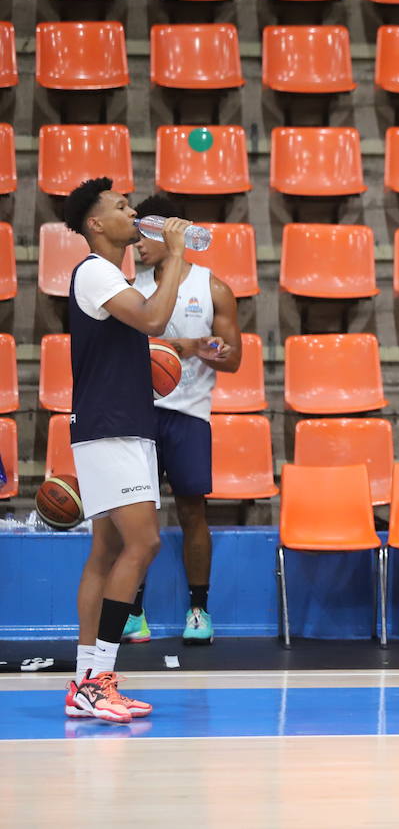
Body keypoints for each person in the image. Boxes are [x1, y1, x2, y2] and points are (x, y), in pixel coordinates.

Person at [60, 178, 192, 723]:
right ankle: (101, 681)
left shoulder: (112, 275)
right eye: (120, 207)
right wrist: (178, 256)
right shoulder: (94, 271)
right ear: (96, 225)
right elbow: (155, 319)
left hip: (117, 425)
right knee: (144, 544)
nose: (132, 211)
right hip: (111, 427)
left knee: (107, 555)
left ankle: (84, 681)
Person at [119, 195, 242, 646]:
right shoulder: (131, 288)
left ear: (170, 232)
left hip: (190, 415)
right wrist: (186, 347)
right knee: (138, 517)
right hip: (140, 414)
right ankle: (134, 612)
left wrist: (220, 351)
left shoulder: (215, 289)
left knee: (193, 512)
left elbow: (234, 361)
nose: (136, 243)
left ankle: (198, 609)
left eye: (144, 234)